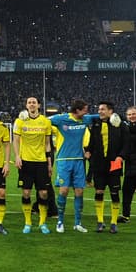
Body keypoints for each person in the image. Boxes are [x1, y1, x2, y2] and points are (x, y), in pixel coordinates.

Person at [11, 95, 55, 234]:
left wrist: (49, 163)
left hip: (41, 162)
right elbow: (16, 140)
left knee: (43, 193)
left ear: (39, 105)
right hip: (25, 162)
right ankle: (28, 222)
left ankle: (42, 223)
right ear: (26, 105)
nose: (31, 104)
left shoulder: (45, 122)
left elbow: (48, 144)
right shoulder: (20, 121)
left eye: (34, 102)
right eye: (29, 102)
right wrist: (17, 156)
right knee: (26, 192)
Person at [49, 100, 93, 233]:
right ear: (77, 110)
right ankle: (60, 222)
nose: (86, 112)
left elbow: (99, 116)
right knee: (64, 191)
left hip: (79, 161)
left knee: (79, 192)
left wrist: (111, 115)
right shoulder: (61, 119)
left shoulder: (85, 120)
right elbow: (44, 121)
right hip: (64, 160)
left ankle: (78, 223)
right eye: (84, 109)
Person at [84, 101, 125, 233]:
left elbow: (126, 143)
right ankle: (100, 221)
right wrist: (89, 151)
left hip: (114, 163)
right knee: (99, 192)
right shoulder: (96, 124)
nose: (100, 111)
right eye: (99, 109)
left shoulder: (120, 125)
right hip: (99, 164)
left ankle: (113, 222)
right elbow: (92, 141)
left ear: (110, 111)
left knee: (114, 193)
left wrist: (121, 156)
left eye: (102, 109)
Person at [119, 106, 136, 223]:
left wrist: (123, 127)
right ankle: (125, 216)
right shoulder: (128, 128)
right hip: (130, 165)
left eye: (133, 114)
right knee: (126, 191)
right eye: (129, 115)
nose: (131, 116)